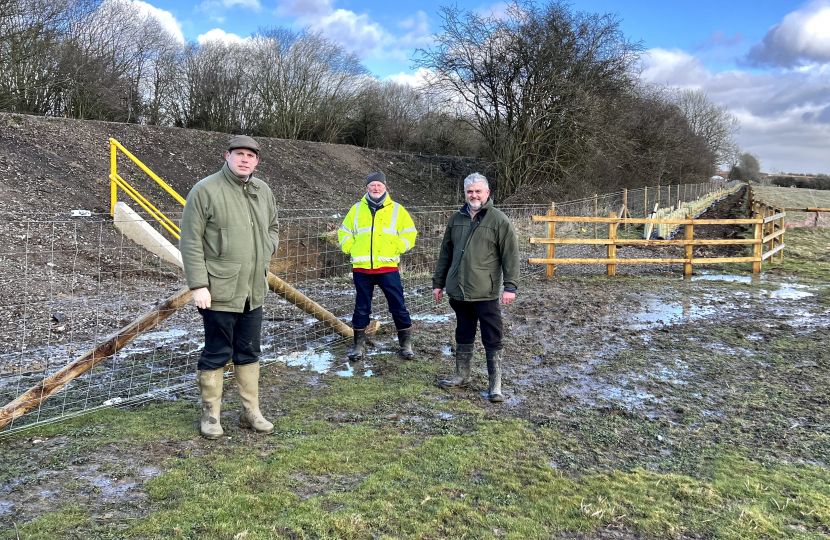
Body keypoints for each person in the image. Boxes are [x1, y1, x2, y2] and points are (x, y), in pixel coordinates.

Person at [180, 135, 278, 439]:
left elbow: (273, 227)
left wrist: (267, 248)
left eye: (251, 155)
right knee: (217, 352)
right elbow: (191, 240)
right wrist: (199, 285)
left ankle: (252, 412)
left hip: (254, 290)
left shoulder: (263, 191)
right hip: (219, 288)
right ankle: (211, 416)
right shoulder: (206, 190)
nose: (244, 159)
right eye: (239, 154)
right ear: (227, 156)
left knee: (249, 351)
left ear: (257, 162)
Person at [432, 173, 519, 402]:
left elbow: (510, 256)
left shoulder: (499, 220)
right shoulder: (456, 219)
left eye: (478, 191)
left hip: (485, 291)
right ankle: (462, 376)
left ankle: (495, 386)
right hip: (458, 290)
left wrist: (510, 286)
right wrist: (438, 283)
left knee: (492, 336)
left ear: (487, 193)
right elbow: (445, 254)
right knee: (463, 332)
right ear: (465, 193)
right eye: (470, 191)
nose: (474, 195)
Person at [338, 171, 418, 360]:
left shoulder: (397, 210)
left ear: (385, 188)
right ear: (366, 188)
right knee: (361, 308)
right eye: (372, 185)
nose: (375, 188)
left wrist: (396, 247)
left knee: (398, 306)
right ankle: (358, 346)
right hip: (362, 268)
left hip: (388, 268)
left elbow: (410, 234)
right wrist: (351, 248)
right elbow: (344, 232)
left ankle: (406, 345)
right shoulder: (356, 209)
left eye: (379, 185)